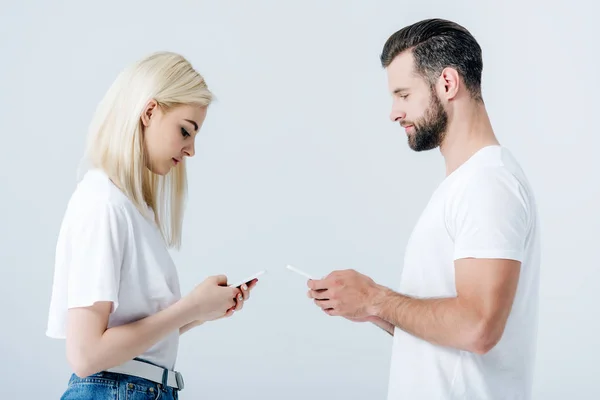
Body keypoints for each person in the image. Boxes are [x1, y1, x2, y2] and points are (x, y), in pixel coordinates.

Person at [307, 18, 541, 399]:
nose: (394, 113)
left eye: (403, 94)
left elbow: (478, 328)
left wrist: (375, 297)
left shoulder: (488, 184)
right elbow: (450, 330)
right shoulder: (465, 184)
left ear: (447, 83)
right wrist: (372, 310)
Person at [46, 51, 258, 399]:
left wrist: (201, 311)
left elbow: (133, 339)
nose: (191, 150)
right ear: (148, 112)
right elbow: (85, 356)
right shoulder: (103, 204)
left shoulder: (130, 207)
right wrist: (189, 308)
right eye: (185, 131)